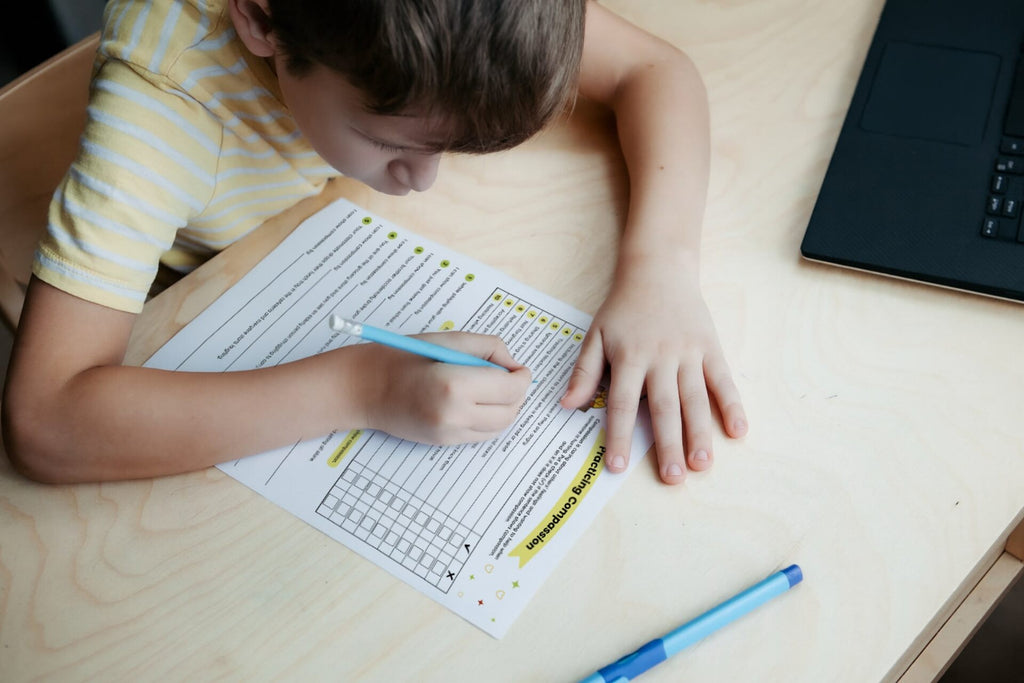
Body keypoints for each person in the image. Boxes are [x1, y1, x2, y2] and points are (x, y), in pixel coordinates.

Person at [2, 0, 747, 485]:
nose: (422, 180)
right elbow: (47, 420)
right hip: (178, 286)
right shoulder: (162, 111)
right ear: (261, 20)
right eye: (390, 141)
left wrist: (662, 267)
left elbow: (657, 70)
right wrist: (362, 388)